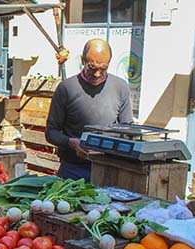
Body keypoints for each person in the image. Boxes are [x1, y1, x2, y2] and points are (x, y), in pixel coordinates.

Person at [45, 38, 133, 182]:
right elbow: (51, 132)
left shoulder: (120, 87)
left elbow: (128, 129)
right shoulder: (66, 88)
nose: (97, 74)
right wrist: (72, 143)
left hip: (110, 168)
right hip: (72, 170)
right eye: (92, 67)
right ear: (83, 60)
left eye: (103, 68)